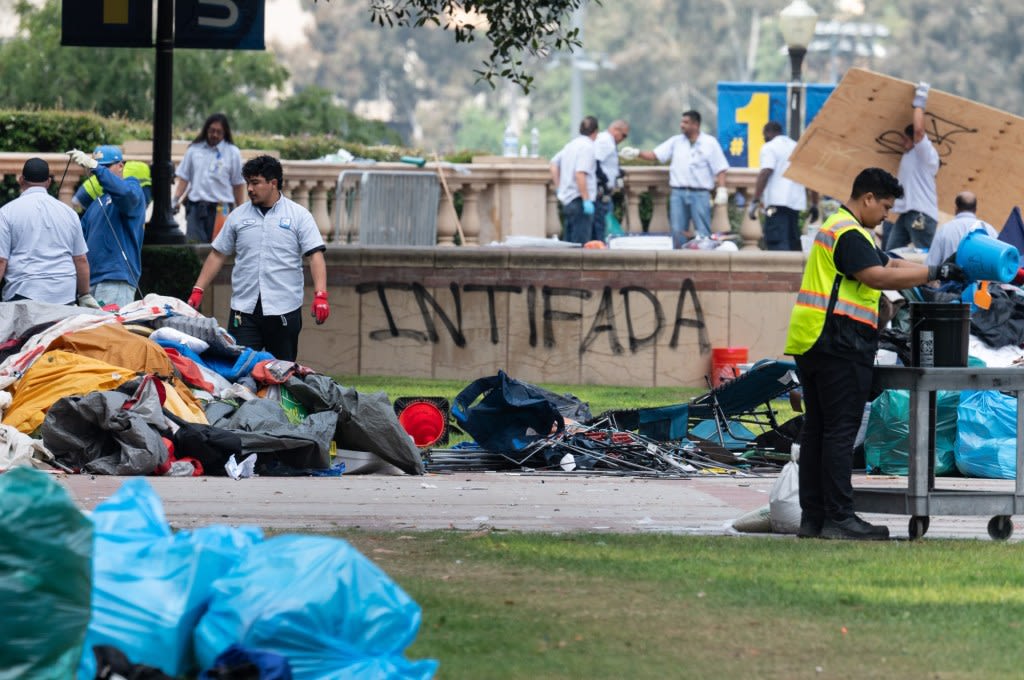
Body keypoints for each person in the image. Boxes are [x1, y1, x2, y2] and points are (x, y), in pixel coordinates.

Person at [784, 167, 966, 541]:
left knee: (818, 430)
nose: (887, 215)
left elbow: (891, 264)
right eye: (884, 206)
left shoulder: (840, 227)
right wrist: (934, 271)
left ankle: (813, 518)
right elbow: (878, 276)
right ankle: (839, 518)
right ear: (867, 199)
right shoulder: (849, 233)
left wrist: (936, 269)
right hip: (838, 343)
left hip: (814, 341)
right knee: (838, 431)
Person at [187, 155, 328, 362]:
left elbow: (315, 256)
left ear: (273, 183)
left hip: (284, 308)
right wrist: (198, 290)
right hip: (244, 310)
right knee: (238, 368)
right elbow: (217, 254)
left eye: (255, 183)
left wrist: (321, 295)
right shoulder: (238, 216)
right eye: (248, 183)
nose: (250, 189)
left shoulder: (300, 216)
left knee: (282, 373)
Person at [0, 158, 98, 308]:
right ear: (48, 182)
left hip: (23, 294)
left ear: (21, 180)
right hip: (64, 296)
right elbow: (81, 259)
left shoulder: (6, 213)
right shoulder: (69, 213)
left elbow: (1, 261)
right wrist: (84, 295)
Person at [626, 110, 729, 248]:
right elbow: (656, 154)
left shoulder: (709, 143)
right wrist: (637, 153)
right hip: (678, 192)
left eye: (686, 122)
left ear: (695, 125)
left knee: (702, 229)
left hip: (700, 193)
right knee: (677, 230)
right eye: (682, 122)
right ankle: (679, 260)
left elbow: (720, 167)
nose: (682, 125)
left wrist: (722, 189)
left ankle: (705, 258)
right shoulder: (676, 141)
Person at [68, 145, 146, 309]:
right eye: (96, 167)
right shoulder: (97, 204)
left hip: (115, 280)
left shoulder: (132, 187)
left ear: (120, 166)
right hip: (89, 285)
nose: (98, 172)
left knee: (110, 334)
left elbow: (124, 194)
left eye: (104, 167)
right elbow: (77, 243)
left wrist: (96, 167)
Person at [172, 113, 246, 243]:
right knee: (194, 249)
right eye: (212, 131)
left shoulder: (232, 152)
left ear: (225, 133)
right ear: (206, 130)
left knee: (219, 251)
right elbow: (184, 178)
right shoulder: (194, 150)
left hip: (222, 210)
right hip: (196, 209)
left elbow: (238, 184)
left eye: (219, 132)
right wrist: (175, 199)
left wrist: (241, 210)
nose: (215, 135)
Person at [884, 82, 939, 251]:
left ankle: (937, 278)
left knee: (927, 257)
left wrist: (920, 98)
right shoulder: (909, 155)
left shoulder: (924, 152)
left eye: (904, 139)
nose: (901, 142)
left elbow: (919, 131)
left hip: (921, 214)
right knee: (891, 253)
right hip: (908, 213)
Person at [748, 121, 819, 251]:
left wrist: (755, 200)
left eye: (764, 136)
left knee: (776, 242)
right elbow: (810, 177)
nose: (764, 139)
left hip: (775, 205)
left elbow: (765, 172)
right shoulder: (796, 147)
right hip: (795, 206)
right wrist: (814, 204)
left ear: (769, 132)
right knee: (792, 242)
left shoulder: (770, 147)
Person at [550, 116, 600, 245]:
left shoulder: (571, 145)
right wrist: (586, 200)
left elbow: (554, 164)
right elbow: (580, 174)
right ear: (596, 132)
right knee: (580, 246)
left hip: (568, 200)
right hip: (579, 202)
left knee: (569, 244)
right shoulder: (588, 147)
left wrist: (559, 187)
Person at [925, 191, 997, 267]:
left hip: (948, 278)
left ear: (956, 208)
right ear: (975, 209)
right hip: (982, 278)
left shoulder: (944, 230)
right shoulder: (989, 230)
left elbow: (930, 265)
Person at [592, 119, 630, 242]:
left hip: (604, 192)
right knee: (601, 227)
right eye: (623, 135)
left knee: (603, 225)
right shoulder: (606, 141)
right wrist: (604, 180)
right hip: (601, 192)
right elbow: (595, 162)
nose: (623, 139)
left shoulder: (607, 141)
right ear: (615, 130)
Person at [72, 160, 153, 212]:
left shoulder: (139, 166)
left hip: (84, 190)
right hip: (88, 194)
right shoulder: (145, 179)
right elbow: (143, 207)